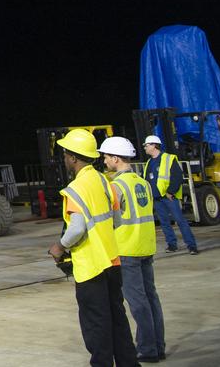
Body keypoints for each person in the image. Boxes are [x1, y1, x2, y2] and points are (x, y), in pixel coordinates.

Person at [47, 128, 138, 367]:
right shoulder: (104, 181)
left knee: (96, 326)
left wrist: (59, 246)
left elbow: (76, 229)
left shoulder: (76, 189)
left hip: (90, 267)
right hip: (112, 261)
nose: (64, 158)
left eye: (66, 154)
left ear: (74, 158)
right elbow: (116, 220)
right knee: (118, 319)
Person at [100, 136, 165, 363]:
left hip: (127, 249)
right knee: (151, 298)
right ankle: (158, 345)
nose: (105, 161)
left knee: (138, 303)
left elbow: (110, 219)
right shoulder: (142, 182)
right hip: (146, 246)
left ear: (116, 158)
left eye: (106, 157)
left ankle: (147, 350)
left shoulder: (116, 187)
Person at [142, 135, 198, 254]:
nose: (145, 148)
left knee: (180, 220)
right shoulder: (149, 162)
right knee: (164, 222)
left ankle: (191, 246)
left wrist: (170, 192)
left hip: (169, 197)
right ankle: (172, 245)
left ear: (154, 145)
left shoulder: (168, 158)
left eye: (146, 145)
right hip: (157, 198)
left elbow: (177, 177)